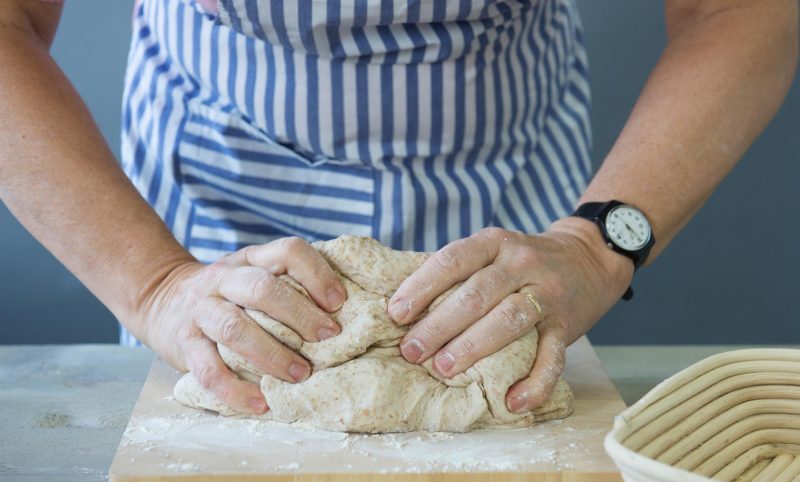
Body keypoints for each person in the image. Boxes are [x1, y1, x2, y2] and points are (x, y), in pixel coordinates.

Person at [1, 0, 796, 416]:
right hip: (212, 209)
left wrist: (597, 245)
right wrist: (155, 283)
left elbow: (739, 7)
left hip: (513, 203)